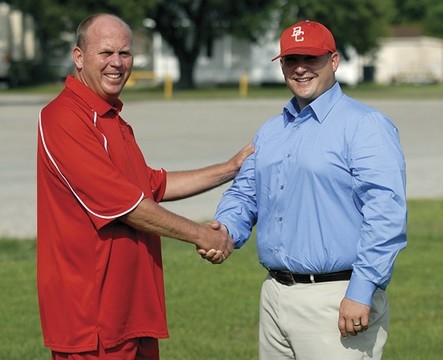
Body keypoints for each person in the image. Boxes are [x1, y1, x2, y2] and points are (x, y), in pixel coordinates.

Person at [36, 13, 253, 360]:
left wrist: (230, 168)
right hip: (92, 322)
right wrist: (203, 235)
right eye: (105, 53)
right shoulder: (63, 117)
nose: (117, 64)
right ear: (79, 57)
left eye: (125, 54)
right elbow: (128, 207)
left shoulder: (114, 121)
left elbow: (154, 184)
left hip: (130, 314)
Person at [206, 20, 407, 360]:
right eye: (290, 59)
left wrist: (361, 291)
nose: (300, 69)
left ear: (334, 61)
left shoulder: (365, 126)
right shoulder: (271, 130)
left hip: (338, 297)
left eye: (311, 59)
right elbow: (245, 194)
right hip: (274, 294)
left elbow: (385, 215)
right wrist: (225, 230)